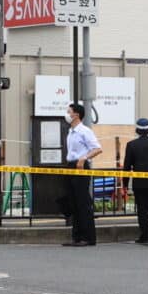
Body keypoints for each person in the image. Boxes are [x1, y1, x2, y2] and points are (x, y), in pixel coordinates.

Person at [61, 101, 102, 247]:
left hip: (81, 166)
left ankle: (88, 237)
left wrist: (84, 158)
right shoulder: (70, 131)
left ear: (76, 115)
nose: (67, 114)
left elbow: (97, 148)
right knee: (73, 202)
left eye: (69, 111)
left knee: (82, 203)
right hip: (70, 166)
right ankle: (76, 237)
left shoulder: (84, 131)